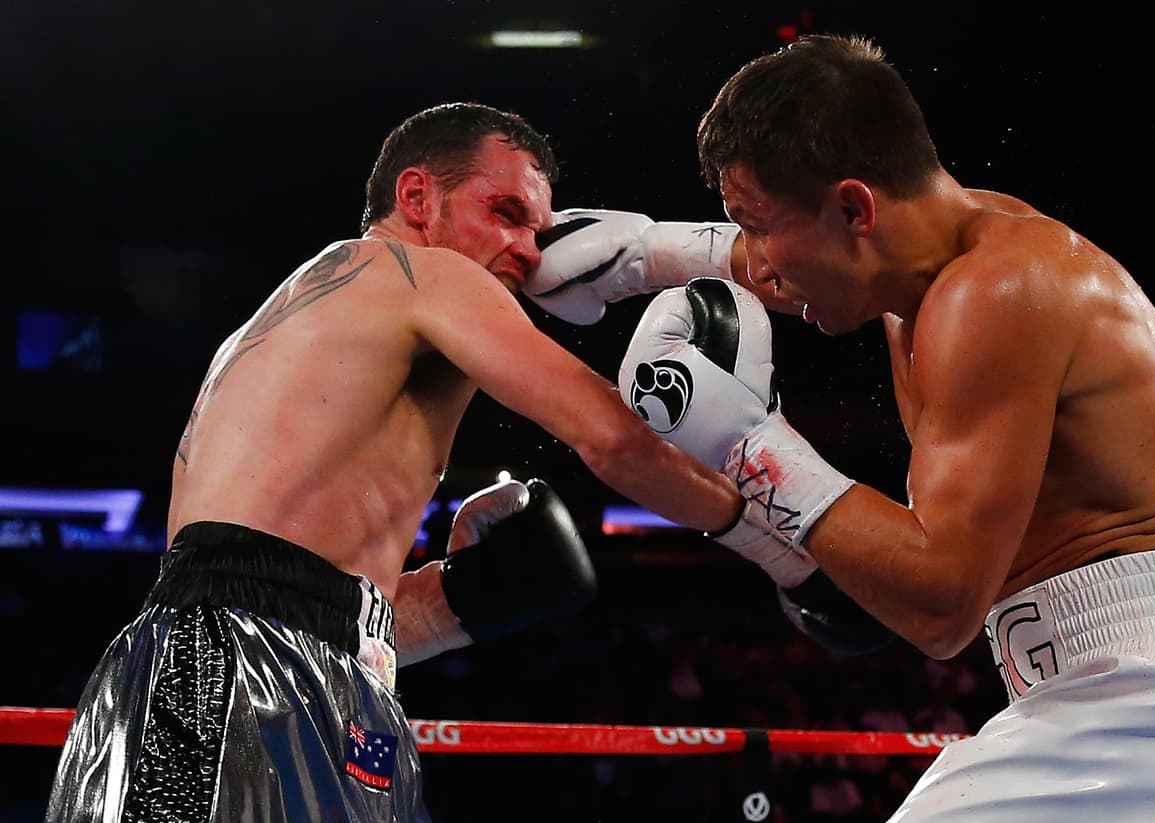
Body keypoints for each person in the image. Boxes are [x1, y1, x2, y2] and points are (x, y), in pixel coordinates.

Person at [528, 35, 1155, 820]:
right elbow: (792, 258)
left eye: (757, 222)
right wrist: (645, 253)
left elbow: (943, 606)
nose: (759, 262)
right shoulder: (930, 260)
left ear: (856, 206)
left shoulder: (994, 294)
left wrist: (750, 445)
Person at [42, 102, 810, 823]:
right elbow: (612, 437)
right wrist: (786, 553)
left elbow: (289, 590)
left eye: (539, 230)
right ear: (417, 197)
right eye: (504, 213)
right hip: (215, 676)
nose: (527, 250)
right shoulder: (424, 276)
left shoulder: (298, 325)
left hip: (286, 673)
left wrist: (459, 600)